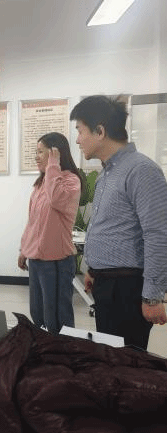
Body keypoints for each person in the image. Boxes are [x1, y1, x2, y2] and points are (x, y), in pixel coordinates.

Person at [70, 95, 167, 350]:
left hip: (127, 288)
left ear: (100, 131)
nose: (77, 140)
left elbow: (157, 234)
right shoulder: (107, 174)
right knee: (109, 356)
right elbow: (111, 228)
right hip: (106, 284)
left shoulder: (141, 170)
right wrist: (93, 270)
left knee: (126, 362)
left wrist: (152, 297)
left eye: (80, 131)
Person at [18, 132, 82, 334]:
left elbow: (56, 199)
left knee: (58, 317)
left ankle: (62, 350)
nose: (36, 157)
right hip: (37, 259)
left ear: (56, 153)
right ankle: (43, 347)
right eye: (36, 152)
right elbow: (33, 222)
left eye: (40, 152)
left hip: (57, 261)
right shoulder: (41, 184)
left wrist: (53, 165)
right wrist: (23, 250)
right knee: (38, 312)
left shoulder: (71, 181)